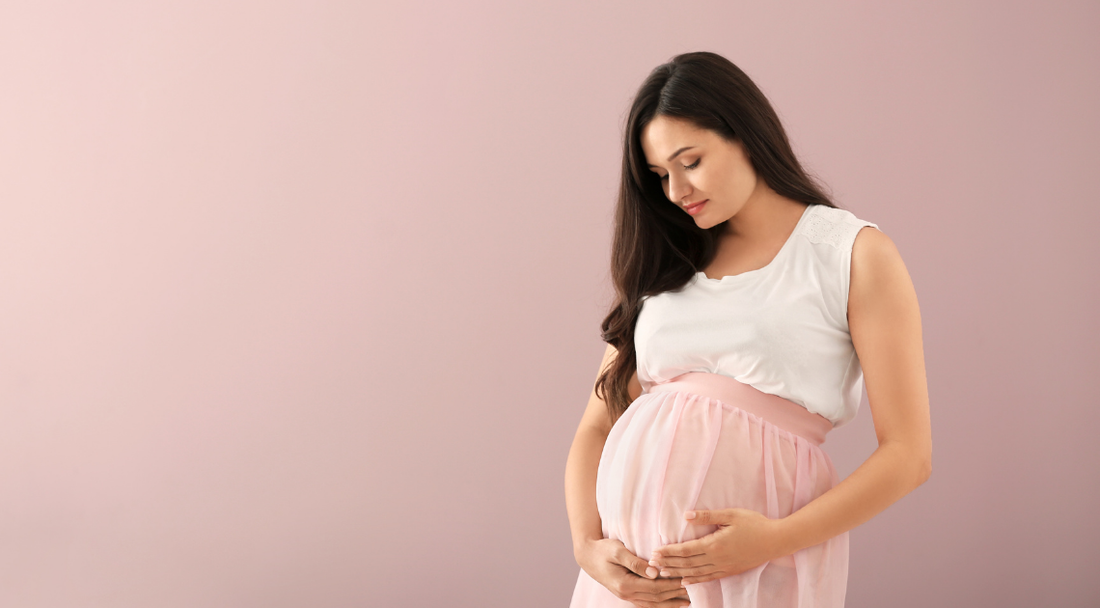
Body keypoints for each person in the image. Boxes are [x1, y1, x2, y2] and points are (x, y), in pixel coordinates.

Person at [564, 51, 932, 608]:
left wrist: (771, 542)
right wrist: (587, 547)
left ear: (746, 135)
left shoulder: (850, 254)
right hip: (629, 585)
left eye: (690, 161)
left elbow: (909, 454)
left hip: (762, 565)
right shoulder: (669, 260)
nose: (676, 191)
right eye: (661, 175)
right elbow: (595, 427)